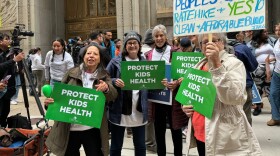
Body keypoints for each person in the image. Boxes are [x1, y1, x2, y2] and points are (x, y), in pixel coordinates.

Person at [182, 33, 262, 156]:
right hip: (200, 132)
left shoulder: (234, 64)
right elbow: (191, 96)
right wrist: (186, 106)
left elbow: (235, 97)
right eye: (205, 42)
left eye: (214, 40)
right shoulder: (199, 65)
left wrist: (217, 64)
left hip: (222, 137)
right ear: (200, 46)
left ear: (223, 43)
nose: (209, 44)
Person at [44, 44, 117, 156]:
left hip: (92, 129)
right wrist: (49, 104)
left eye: (95, 54)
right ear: (83, 57)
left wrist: (106, 88)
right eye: (88, 53)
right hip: (70, 129)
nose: (91, 56)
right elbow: (58, 96)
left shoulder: (104, 75)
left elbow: (113, 95)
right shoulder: (71, 73)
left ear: (99, 59)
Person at [145, 24, 188, 156]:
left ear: (166, 36)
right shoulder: (148, 55)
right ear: (153, 38)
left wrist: (176, 83)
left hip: (173, 99)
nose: (159, 38)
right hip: (157, 99)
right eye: (156, 36)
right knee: (159, 130)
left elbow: (185, 74)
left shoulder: (176, 52)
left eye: (161, 35)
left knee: (176, 129)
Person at [106, 31, 148, 156]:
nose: (132, 45)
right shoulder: (115, 61)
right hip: (119, 110)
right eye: (129, 43)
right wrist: (114, 81)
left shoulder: (145, 62)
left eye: (135, 43)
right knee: (116, 145)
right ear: (125, 46)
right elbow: (105, 78)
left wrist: (159, 82)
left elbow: (151, 85)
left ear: (139, 45)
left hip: (139, 111)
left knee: (140, 145)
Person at [227, 31, 258, 125]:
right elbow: (254, 66)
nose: (244, 35)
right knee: (245, 115)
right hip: (243, 85)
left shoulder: (221, 47)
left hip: (227, 86)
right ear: (237, 36)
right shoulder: (242, 48)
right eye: (242, 33)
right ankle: (247, 138)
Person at [0, 33, 25, 127]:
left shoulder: (8, 53)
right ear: (0, 41)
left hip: (7, 88)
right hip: (1, 89)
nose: (10, 41)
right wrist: (14, 60)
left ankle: (3, 128)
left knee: (5, 111)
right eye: (7, 39)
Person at [248, 29, 275, 116]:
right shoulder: (250, 44)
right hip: (258, 68)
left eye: (267, 32)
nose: (267, 33)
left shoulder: (271, 40)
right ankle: (257, 107)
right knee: (258, 88)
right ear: (259, 34)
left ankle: (275, 109)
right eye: (264, 32)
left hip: (272, 66)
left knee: (271, 88)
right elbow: (249, 58)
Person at [267, 23, 280, 126]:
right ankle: (276, 118)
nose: (278, 32)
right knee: (273, 94)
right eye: (276, 30)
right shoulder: (276, 41)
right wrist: (273, 59)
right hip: (277, 72)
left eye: (279, 30)